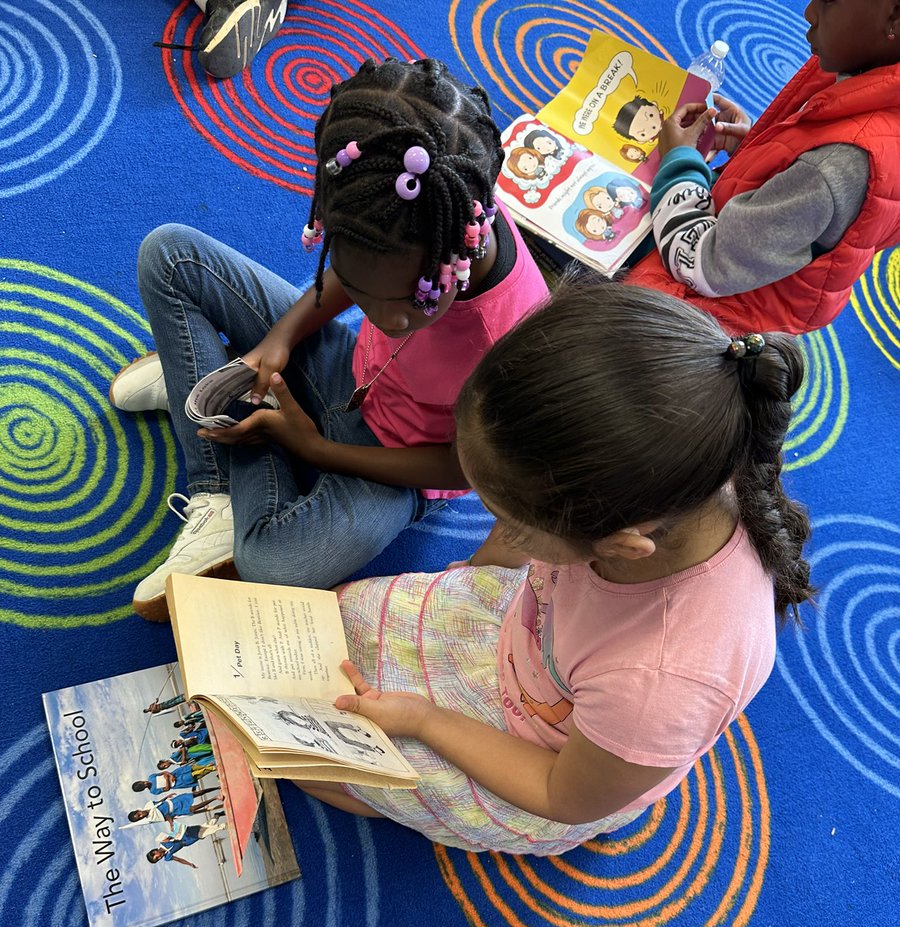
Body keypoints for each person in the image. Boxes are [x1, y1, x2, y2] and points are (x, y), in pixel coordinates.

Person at [292, 283, 814, 856]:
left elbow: (562, 793)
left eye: (511, 520)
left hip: (551, 767)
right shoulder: (682, 462)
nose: (500, 526)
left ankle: (411, 798)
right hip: (532, 641)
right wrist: (473, 581)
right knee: (339, 616)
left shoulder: (663, 680)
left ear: (619, 544)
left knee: (318, 764)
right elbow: (528, 543)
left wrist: (424, 721)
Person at [112, 56, 547, 621]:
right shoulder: (415, 217)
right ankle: (217, 481)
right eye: (364, 296)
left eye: (408, 305)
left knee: (276, 565)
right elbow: (362, 268)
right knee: (169, 253)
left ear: (457, 255)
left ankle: (212, 396)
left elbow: (461, 467)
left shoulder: (513, 345)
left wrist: (312, 449)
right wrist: (281, 337)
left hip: (401, 466)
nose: (385, 320)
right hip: (351, 372)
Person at [626, 0, 900, 335]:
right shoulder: (867, 74)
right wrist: (763, 153)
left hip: (712, 310)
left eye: (828, 2)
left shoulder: (838, 165)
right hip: (754, 262)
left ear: (895, 17)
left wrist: (679, 160)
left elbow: (701, 264)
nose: (808, 12)